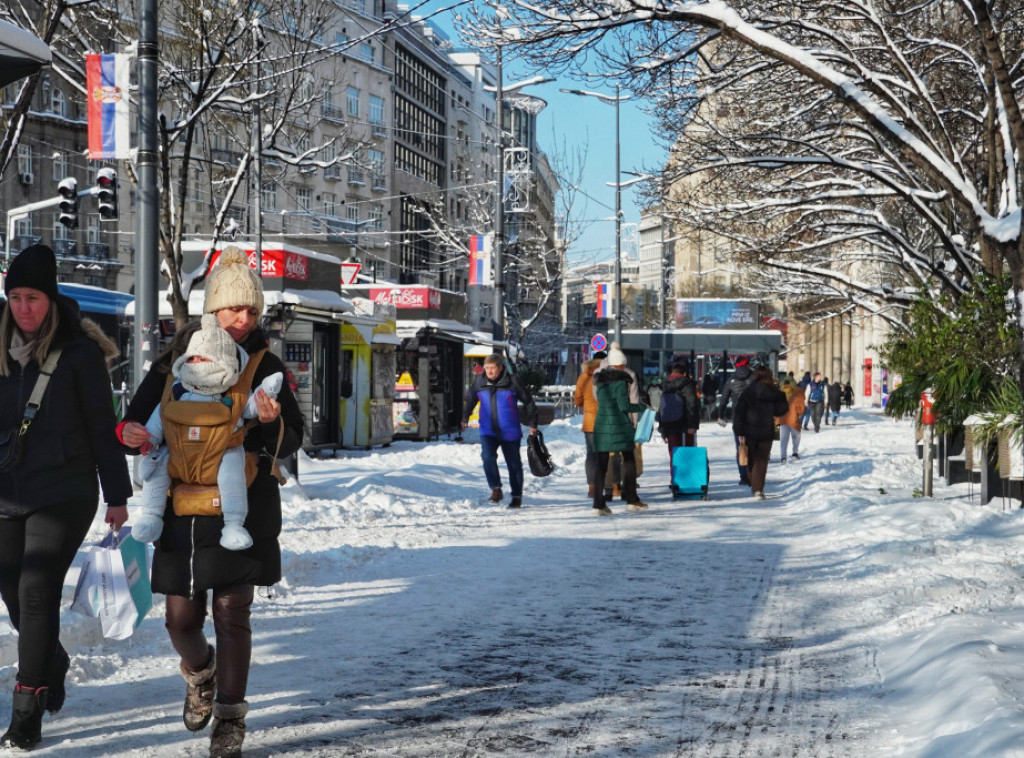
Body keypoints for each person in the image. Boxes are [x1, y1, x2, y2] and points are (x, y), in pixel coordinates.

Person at [118, 246, 304, 758]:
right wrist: (130, 434)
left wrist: (268, 425)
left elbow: (293, 437)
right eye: (233, 309)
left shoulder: (265, 366)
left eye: (251, 311)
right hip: (179, 509)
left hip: (242, 508)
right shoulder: (173, 364)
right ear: (213, 309)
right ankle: (201, 674)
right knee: (180, 620)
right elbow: (135, 421)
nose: (243, 319)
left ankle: (230, 717)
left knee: (231, 611)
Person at [0, 244, 133, 750]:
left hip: (64, 490)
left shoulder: (78, 353)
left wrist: (117, 495)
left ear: (50, 299)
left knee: (36, 590)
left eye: (32, 297)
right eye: (15, 297)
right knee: (12, 591)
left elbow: (102, 428)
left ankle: (27, 709)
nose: (23, 308)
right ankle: (50, 658)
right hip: (7, 486)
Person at [134, 314, 284, 552]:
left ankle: (233, 524)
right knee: (158, 466)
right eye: (191, 358)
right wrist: (149, 439)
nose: (196, 363)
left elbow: (251, 407)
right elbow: (159, 417)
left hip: (220, 453)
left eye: (203, 358)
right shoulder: (174, 390)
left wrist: (266, 393)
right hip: (178, 453)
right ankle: (151, 516)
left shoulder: (234, 393)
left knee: (232, 470)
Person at [462, 354, 539, 508]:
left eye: (492, 367)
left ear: (501, 367)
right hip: (487, 430)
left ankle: (516, 495)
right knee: (487, 458)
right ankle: (496, 489)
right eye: (487, 368)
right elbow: (470, 401)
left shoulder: (512, 382)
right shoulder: (479, 383)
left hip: (509, 430)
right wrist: (465, 418)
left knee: (513, 463)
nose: (489, 371)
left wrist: (532, 423)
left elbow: (529, 401)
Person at [592, 345, 649, 515]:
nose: (624, 367)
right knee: (629, 461)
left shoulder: (600, 381)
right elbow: (624, 406)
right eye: (623, 364)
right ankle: (632, 499)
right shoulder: (622, 382)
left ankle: (598, 504)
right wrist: (642, 407)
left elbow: (599, 400)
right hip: (620, 426)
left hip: (602, 426)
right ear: (619, 365)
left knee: (601, 466)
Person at [732, 365, 789, 499]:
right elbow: (781, 410)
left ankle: (754, 485)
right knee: (762, 460)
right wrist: (780, 398)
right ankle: (758, 489)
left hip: (749, 430)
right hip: (766, 429)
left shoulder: (748, 392)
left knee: (751, 458)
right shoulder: (774, 393)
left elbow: (739, 413)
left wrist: (739, 431)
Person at [717, 357, 756, 485]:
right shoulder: (755, 378)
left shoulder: (731, 380)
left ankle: (744, 476)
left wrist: (720, 414)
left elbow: (723, 399)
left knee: (741, 447)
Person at [573, 350, 606, 498]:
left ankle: (592, 486)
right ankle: (607, 484)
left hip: (590, 421)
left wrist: (587, 406)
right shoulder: (609, 374)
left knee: (591, 454)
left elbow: (577, 400)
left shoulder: (584, 377)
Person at [658, 362, 701, 450]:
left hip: (670, 426)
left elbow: (662, 408)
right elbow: (692, 404)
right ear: (684, 373)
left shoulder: (666, 385)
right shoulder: (687, 385)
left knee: (675, 454)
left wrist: (663, 431)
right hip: (685, 426)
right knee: (688, 453)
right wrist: (692, 425)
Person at [777, 378, 806, 462]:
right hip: (794, 419)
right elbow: (801, 410)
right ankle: (794, 453)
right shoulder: (797, 393)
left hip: (782, 419)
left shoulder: (779, 393)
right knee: (796, 436)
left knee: (783, 439)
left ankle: (783, 456)